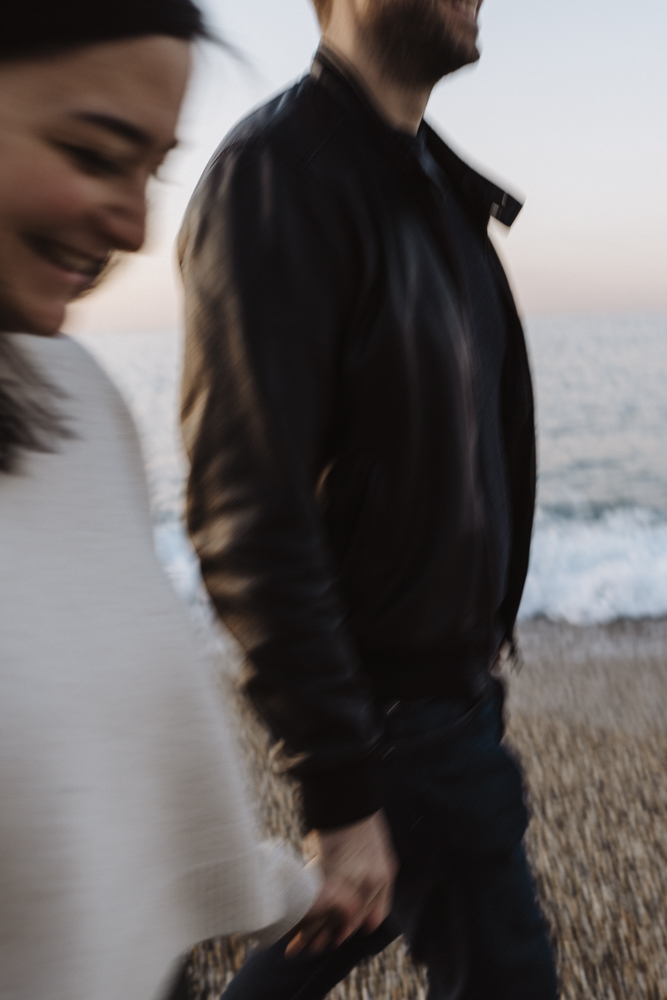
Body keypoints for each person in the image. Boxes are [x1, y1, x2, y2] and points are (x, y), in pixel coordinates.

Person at [178, 0, 559, 997]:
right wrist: (340, 785)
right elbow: (246, 507)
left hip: (449, 701)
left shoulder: (435, 192)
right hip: (391, 712)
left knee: (343, 926)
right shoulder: (277, 176)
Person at [0, 5, 319, 1000]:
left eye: (152, 170)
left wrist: (270, 877)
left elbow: (119, 758)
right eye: (92, 153)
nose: (137, 228)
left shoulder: (78, 404)